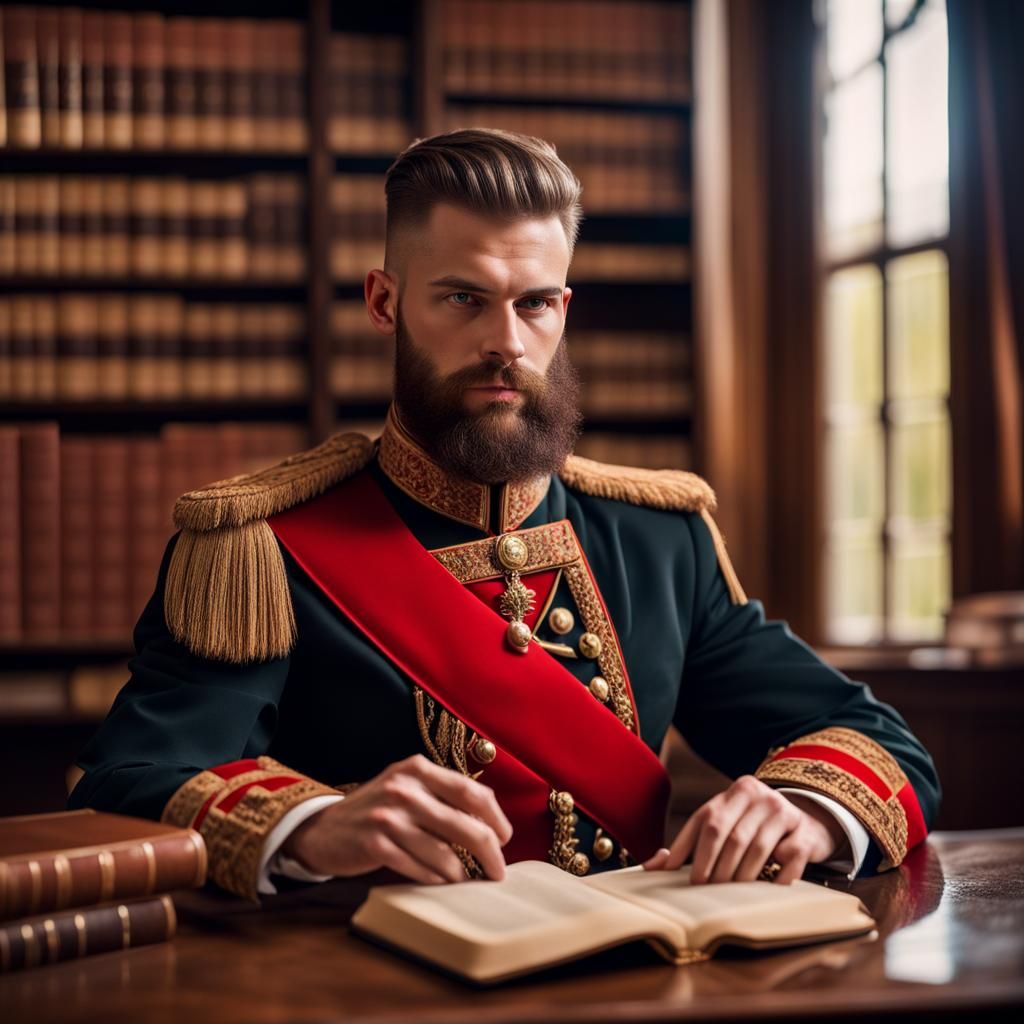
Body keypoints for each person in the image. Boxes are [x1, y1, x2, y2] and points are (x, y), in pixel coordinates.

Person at [69, 128, 940, 902]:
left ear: (564, 309)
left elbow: (877, 739)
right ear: (384, 303)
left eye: (534, 303)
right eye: (463, 299)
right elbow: (127, 781)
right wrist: (313, 826)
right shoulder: (263, 555)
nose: (507, 343)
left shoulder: (659, 540)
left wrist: (807, 810)